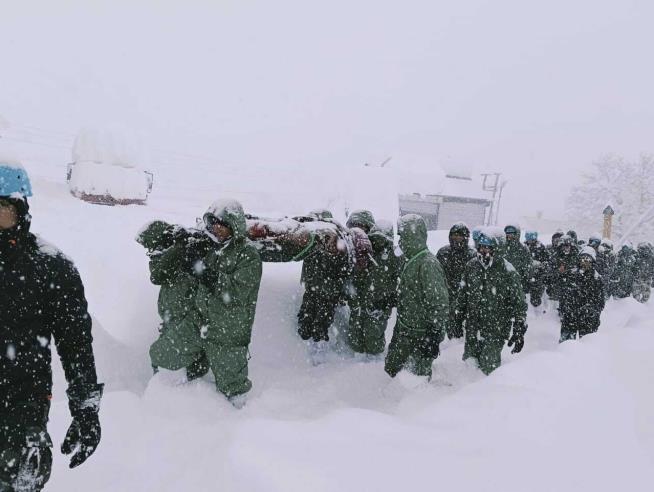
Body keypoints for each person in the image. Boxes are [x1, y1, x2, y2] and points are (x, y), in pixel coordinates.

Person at [0, 163, 103, 491]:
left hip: (23, 408)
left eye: (2, 210)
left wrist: (85, 408)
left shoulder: (51, 269)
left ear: (22, 211)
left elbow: (75, 343)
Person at [143, 199, 262, 406]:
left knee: (234, 389)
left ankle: (242, 426)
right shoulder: (208, 245)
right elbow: (161, 274)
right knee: (161, 355)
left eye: (222, 223)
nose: (216, 227)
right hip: (198, 322)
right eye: (212, 222)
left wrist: (205, 272)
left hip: (228, 331)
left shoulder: (247, 255)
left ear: (234, 226)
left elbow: (237, 292)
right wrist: (182, 248)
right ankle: (179, 389)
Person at [384, 214, 448, 380]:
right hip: (404, 330)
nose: (400, 241)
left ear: (414, 235)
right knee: (393, 370)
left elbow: (439, 303)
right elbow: (412, 292)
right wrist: (393, 298)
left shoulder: (427, 263)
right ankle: (389, 403)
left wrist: (433, 335)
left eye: (403, 236)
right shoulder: (410, 259)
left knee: (415, 379)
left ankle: (416, 405)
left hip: (420, 335)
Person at [454, 234, 528, 375]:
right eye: (481, 247)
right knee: (470, 366)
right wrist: (458, 317)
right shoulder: (472, 266)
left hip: (496, 328)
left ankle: (488, 394)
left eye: (488, 248)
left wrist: (519, 326)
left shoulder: (508, 271)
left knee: (488, 367)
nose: (484, 251)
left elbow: (519, 301)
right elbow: (463, 294)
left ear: (497, 249)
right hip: (472, 327)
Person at [346, 220, 399, 355]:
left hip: (380, 305)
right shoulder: (362, 250)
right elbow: (351, 274)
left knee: (373, 339)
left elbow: (403, 279)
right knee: (354, 339)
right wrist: (351, 296)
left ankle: (372, 365)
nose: (377, 243)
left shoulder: (394, 255)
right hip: (359, 302)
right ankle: (353, 365)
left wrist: (392, 297)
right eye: (375, 239)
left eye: (381, 239)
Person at [436, 223, 475, 338]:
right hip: (444, 294)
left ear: (466, 237)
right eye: (454, 235)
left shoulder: (471, 255)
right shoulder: (443, 252)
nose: (457, 238)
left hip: (463, 296)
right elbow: (436, 272)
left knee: (458, 329)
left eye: (460, 235)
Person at [559, 247, 605, 342]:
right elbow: (563, 294)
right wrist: (566, 309)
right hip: (570, 318)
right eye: (582, 259)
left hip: (588, 320)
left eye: (588, 260)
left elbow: (600, 302)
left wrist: (592, 312)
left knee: (588, 347)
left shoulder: (597, 279)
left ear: (592, 262)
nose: (584, 262)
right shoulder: (571, 275)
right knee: (566, 346)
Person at [503, 224, 532, 291]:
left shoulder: (523, 248)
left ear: (517, 234)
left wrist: (526, 278)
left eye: (512, 234)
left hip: (518, 281)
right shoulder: (502, 247)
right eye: (507, 234)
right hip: (503, 280)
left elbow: (528, 265)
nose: (509, 236)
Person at [524, 230, 548, 307]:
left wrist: (541, 266)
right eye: (529, 239)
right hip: (525, 272)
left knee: (537, 287)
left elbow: (546, 260)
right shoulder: (523, 247)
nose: (530, 241)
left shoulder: (541, 247)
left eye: (532, 239)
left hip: (538, 273)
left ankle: (536, 302)